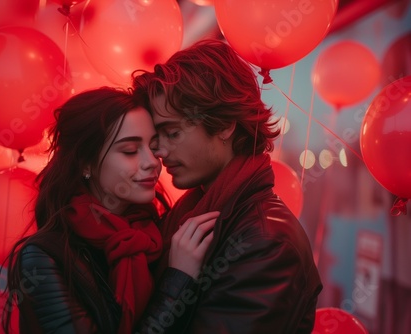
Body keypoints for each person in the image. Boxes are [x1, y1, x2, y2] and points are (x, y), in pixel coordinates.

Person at [131, 39, 323, 333]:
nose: (160, 150)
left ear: (224, 125)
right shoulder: (194, 211)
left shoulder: (267, 242)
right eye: (157, 136)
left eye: (172, 132)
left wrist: (176, 282)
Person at [2, 86, 218, 334]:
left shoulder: (156, 235)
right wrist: (178, 280)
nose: (151, 162)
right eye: (129, 151)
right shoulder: (44, 258)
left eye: (153, 146)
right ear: (86, 163)